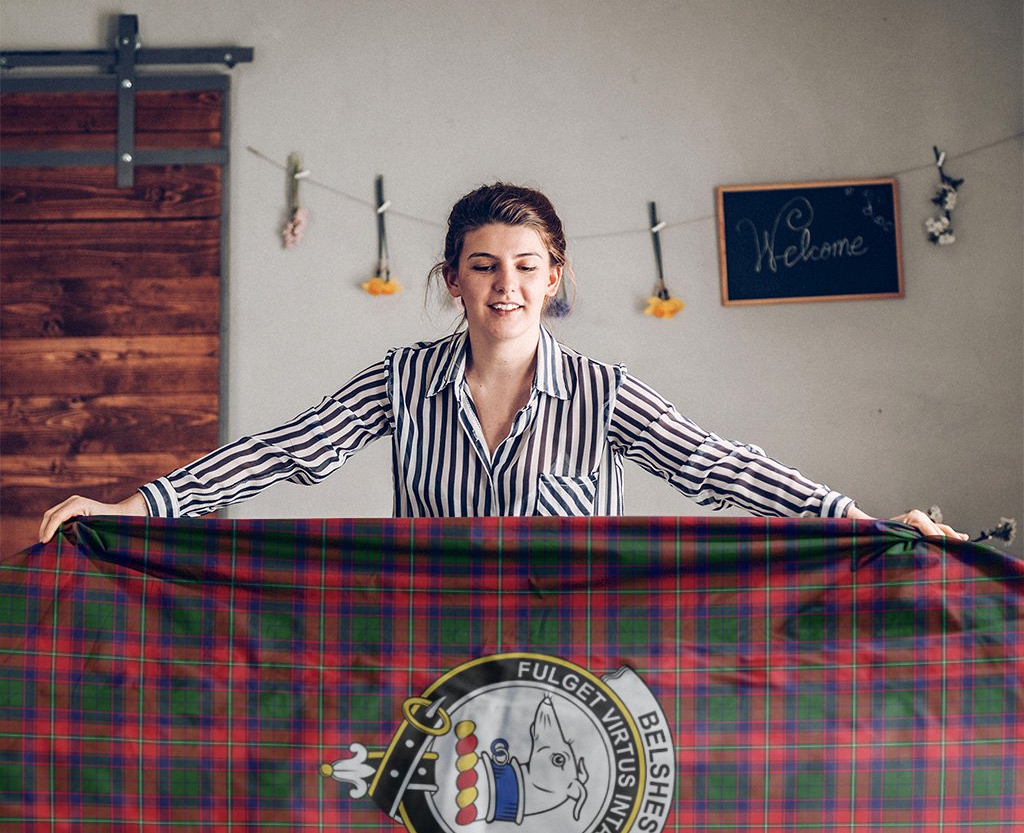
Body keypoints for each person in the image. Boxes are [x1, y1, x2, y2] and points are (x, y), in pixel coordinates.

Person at [39, 182, 968, 543]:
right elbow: (283, 453)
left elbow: (718, 465)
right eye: (484, 266)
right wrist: (133, 509)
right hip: (429, 660)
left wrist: (861, 520)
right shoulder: (400, 380)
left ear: (554, 278)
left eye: (527, 268)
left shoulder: (605, 395)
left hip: (578, 665)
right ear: (453, 281)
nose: (506, 286)